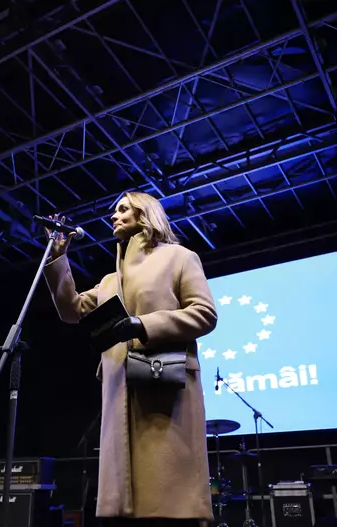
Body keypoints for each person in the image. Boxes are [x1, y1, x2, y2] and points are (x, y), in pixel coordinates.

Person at [43, 192, 218, 527]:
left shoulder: (179, 258)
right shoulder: (110, 281)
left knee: (167, 501)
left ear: (144, 214)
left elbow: (204, 314)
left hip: (164, 388)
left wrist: (143, 324)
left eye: (123, 209)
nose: (113, 215)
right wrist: (58, 258)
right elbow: (70, 310)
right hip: (119, 389)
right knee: (125, 508)